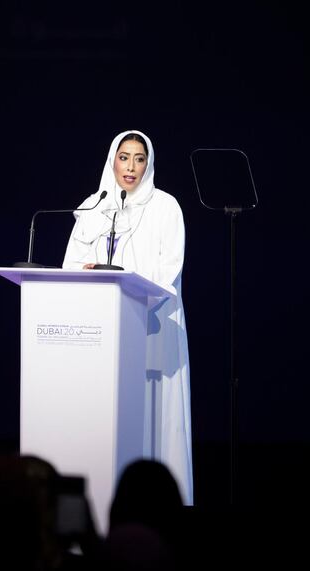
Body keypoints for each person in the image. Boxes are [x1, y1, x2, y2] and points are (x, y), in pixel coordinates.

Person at [62, 130, 193, 505]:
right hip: (99, 330)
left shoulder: (166, 207)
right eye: (124, 157)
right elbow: (71, 264)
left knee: (153, 417)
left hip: (151, 329)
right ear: (112, 160)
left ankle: (162, 507)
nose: (131, 167)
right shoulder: (94, 205)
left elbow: (170, 269)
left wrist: (129, 289)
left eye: (139, 158)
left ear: (148, 163)